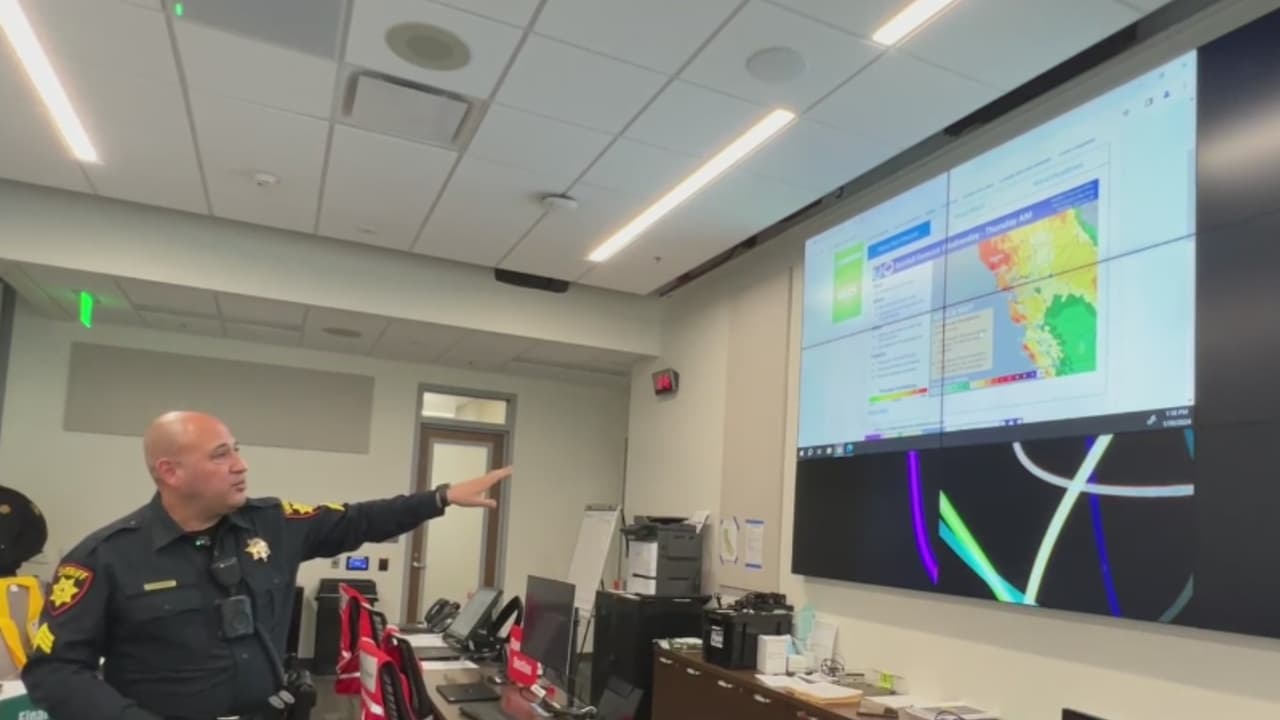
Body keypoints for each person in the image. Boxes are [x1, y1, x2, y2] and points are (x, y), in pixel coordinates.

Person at [21, 410, 512, 720]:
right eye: (221, 455)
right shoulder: (103, 558)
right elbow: (56, 671)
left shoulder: (272, 524)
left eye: (236, 449)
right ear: (170, 472)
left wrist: (441, 497)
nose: (241, 465)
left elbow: (359, 519)